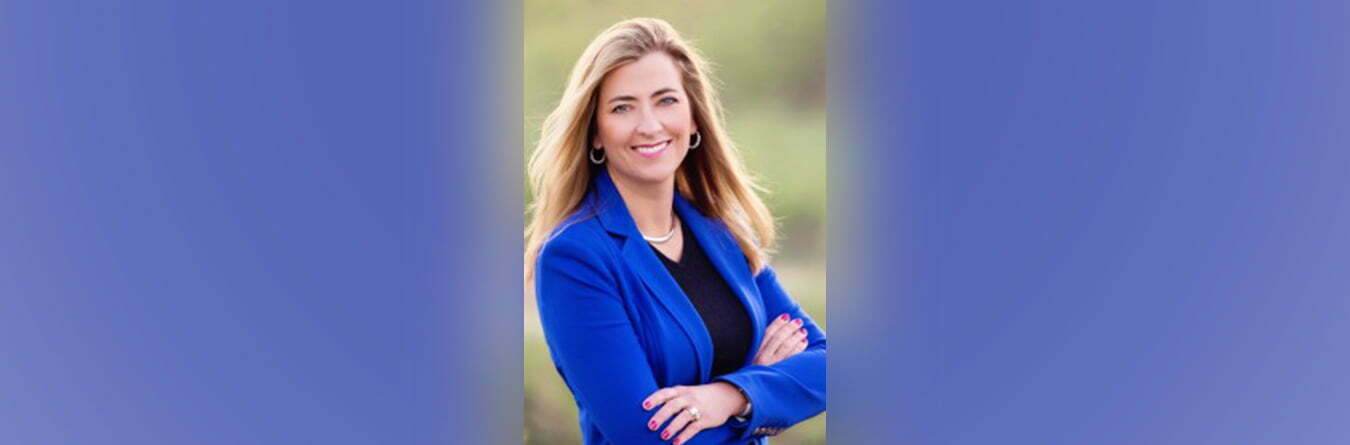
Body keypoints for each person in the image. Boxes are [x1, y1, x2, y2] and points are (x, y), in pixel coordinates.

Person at [526, 18, 826, 445]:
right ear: (595, 133)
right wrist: (763, 396)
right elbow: (645, 436)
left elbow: (828, 364)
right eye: (622, 107)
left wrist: (731, 396)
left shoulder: (721, 230)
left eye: (666, 100)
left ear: (694, 119)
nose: (649, 125)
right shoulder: (575, 257)